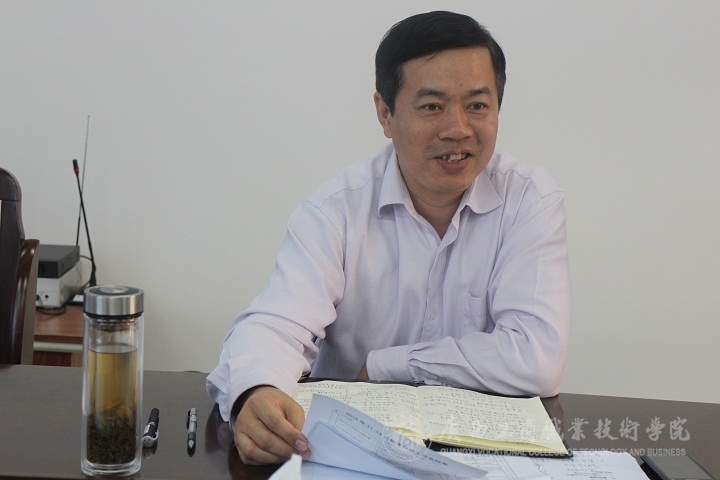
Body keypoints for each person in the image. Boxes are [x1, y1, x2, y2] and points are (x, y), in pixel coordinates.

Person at [207, 10, 571, 466]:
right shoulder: (335, 211)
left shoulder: (529, 200)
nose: (458, 128)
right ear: (385, 113)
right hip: (346, 453)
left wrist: (387, 365)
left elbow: (537, 356)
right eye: (432, 106)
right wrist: (256, 391)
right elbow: (273, 326)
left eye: (478, 105)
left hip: (484, 456)